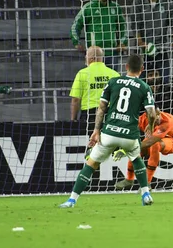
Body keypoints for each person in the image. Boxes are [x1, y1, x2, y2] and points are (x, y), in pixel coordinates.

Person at [59, 54, 157, 208]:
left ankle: (72, 200)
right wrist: (150, 129)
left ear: (126, 67)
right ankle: (145, 193)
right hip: (130, 134)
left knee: (91, 164)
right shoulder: (145, 87)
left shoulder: (113, 82)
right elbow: (151, 113)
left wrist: (96, 130)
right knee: (137, 159)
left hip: (110, 132)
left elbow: (101, 108)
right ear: (142, 69)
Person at [113, 108, 173, 190]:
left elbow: (149, 142)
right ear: (146, 116)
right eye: (154, 116)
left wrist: (125, 151)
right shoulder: (142, 120)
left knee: (155, 144)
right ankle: (129, 179)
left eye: (158, 114)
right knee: (136, 148)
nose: (158, 117)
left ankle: (147, 183)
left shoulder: (166, 122)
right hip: (155, 137)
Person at [71, 0, 128, 73]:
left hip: (112, 52)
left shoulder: (115, 7)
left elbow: (123, 26)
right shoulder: (88, 7)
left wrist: (123, 42)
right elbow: (75, 26)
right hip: (94, 54)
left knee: (112, 81)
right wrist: (76, 42)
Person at [134, 0, 173, 83]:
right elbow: (135, 23)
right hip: (144, 50)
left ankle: (164, 97)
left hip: (161, 49)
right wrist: (140, 41)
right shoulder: (138, 2)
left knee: (165, 80)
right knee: (142, 81)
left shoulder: (167, 1)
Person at [69, 46, 120, 134]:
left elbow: (76, 99)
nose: (85, 58)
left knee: (91, 143)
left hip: (89, 114)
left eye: (86, 56)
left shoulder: (82, 74)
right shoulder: (114, 74)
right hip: (109, 114)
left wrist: (73, 119)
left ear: (92, 58)